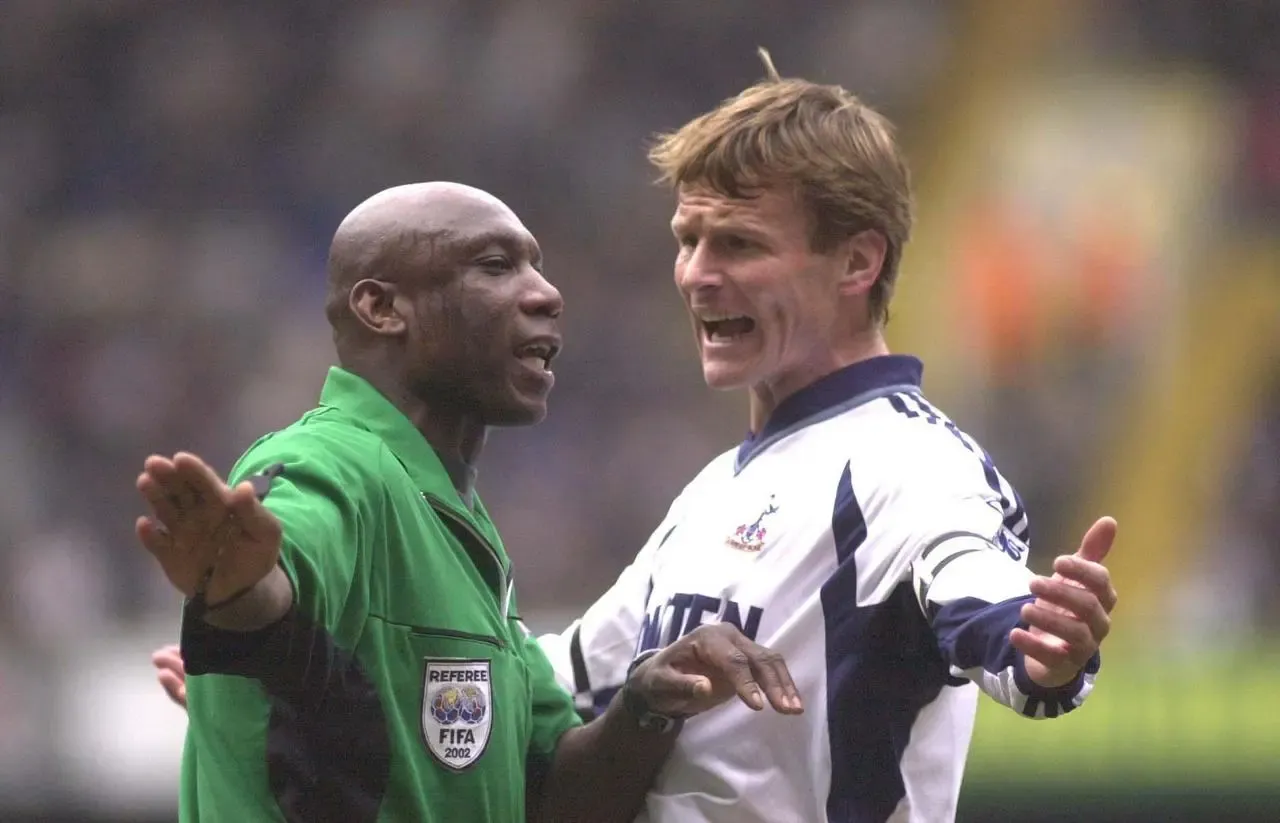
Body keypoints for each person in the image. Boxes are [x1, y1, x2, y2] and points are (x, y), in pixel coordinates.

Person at [154, 56, 1121, 822]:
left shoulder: (915, 465)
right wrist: (307, 679)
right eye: (686, 239)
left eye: (737, 243)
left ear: (857, 262)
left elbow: (1003, 629)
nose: (696, 274)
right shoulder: (713, 495)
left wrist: (1050, 648)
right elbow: (548, 694)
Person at [136, 181, 803, 823]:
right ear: (382, 308)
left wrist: (648, 702)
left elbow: (554, 797)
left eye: (537, 269)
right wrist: (238, 589)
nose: (546, 294)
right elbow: (281, 587)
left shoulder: (457, 528)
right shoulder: (331, 465)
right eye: (495, 265)